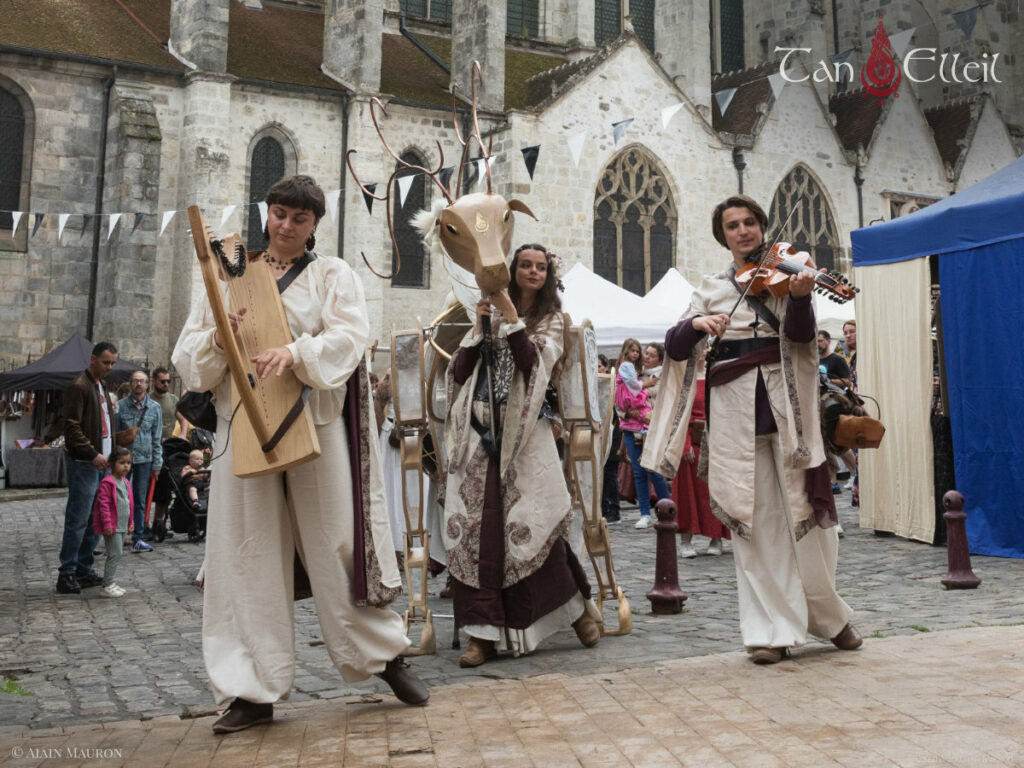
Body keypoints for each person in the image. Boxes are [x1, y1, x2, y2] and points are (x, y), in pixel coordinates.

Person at [172, 174, 427, 734]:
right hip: (244, 423)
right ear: (267, 214)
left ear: (315, 225)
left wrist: (295, 350)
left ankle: (383, 657)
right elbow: (189, 358)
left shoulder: (333, 274)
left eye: (299, 218)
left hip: (315, 422)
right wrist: (221, 337)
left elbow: (351, 336)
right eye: (279, 213)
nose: (286, 225)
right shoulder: (226, 274)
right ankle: (251, 690)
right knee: (246, 552)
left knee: (338, 541)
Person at [645, 195, 861, 665]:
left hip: (789, 416)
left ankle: (830, 618)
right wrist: (699, 323)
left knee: (809, 525)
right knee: (755, 527)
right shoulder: (711, 288)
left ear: (762, 227)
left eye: (749, 223)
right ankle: (769, 631)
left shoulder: (788, 275)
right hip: (735, 418)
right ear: (722, 235)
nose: (742, 231)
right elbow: (675, 345)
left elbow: (803, 340)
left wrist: (801, 298)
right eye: (732, 225)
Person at [442, 243, 601, 668]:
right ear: (512, 270)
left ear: (548, 275)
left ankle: (575, 609)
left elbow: (534, 365)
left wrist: (511, 319)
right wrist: (479, 330)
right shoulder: (485, 315)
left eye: (540, 267)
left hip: (527, 435)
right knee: (479, 530)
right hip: (477, 436)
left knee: (534, 524)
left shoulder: (553, 320)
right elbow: (458, 373)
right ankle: (482, 634)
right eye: (525, 265)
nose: (532, 271)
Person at [56, 341, 119, 595]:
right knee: (78, 519)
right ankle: (67, 572)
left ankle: (82, 568)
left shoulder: (101, 385)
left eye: (113, 363)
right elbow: (71, 427)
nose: (109, 367)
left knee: (96, 520)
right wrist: (92, 453)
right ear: (93, 359)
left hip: (102, 462)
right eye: (106, 362)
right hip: (85, 463)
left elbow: (102, 425)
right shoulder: (79, 386)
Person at [671, 345, 729, 558]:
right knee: (687, 492)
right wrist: (685, 443)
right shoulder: (684, 378)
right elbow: (679, 413)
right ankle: (686, 541)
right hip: (691, 438)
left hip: (714, 437)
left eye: (705, 346)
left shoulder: (716, 374)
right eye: (699, 347)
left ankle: (716, 538)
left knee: (714, 490)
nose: (703, 351)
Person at [615, 338, 671, 530]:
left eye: (651, 355)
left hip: (652, 429)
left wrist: (652, 417)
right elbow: (620, 401)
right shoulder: (632, 374)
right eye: (645, 353)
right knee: (638, 471)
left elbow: (666, 405)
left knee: (654, 470)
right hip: (632, 429)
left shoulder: (664, 379)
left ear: (660, 360)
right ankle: (645, 513)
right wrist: (630, 412)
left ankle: (668, 508)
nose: (646, 357)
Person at [117, 370, 164, 552]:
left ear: (147, 385)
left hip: (145, 458)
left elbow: (156, 437)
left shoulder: (154, 408)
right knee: (120, 498)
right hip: (123, 459)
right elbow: (115, 436)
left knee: (140, 499)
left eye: (142, 381)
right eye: (135, 381)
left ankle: (138, 537)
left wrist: (157, 463)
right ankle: (119, 535)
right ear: (130, 384)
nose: (138, 384)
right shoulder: (120, 406)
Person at [92, 447, 134, 598]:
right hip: (113, 526)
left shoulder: (126, 482)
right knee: (114, 553)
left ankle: (110, 581)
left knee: (117, 553)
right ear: (111, 464)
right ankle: (107, 584)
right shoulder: (107, 483)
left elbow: (129, 503)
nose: (126, 466)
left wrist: (131, 521)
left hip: (122, 524)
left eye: (128, 463)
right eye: (122, 462)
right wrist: (107, 524)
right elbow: (103, 505)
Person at [149, 367, 186, 538]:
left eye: (168, 381)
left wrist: (183, 434)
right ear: (154, 381)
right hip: (151, 447)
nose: (166, 384)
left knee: (165, 486)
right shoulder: (148, 399)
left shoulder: (173, 399)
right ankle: (143, 524)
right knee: (149, 487)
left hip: (168, 447)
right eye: (162, 381)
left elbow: (182, 417)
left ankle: (160, 521)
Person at [597, 354, 621, 525]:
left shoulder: (612, 385)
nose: (597, 369)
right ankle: (602, 508)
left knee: (610, 472)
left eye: (599, 366)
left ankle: (614, 509)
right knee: (599, 473)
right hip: (597, 433)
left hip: (612, 432)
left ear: (605, 367)